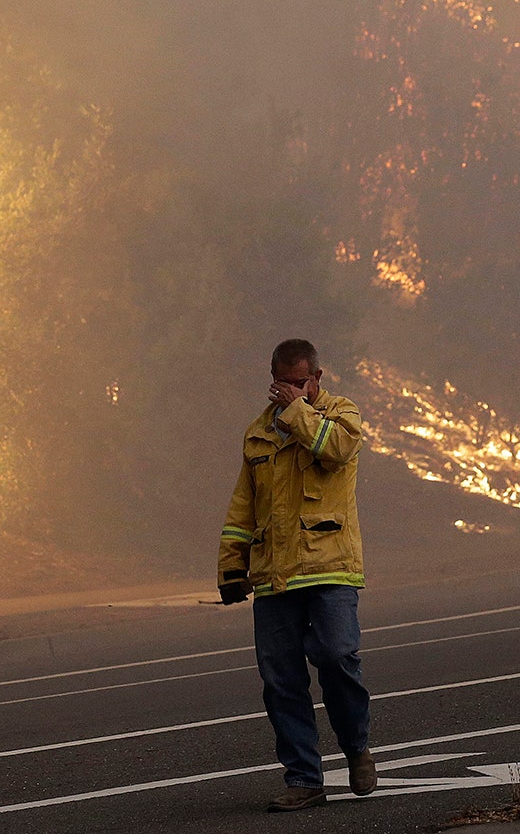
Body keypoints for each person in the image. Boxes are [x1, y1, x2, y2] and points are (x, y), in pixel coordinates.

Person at [218, 338, 377, 812]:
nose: (290, 390)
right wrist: (231, 564)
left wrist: (297, 412)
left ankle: (356, 749)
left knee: (336, 657)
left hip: (330, 568)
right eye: (283, 383)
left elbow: (337, 452)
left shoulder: (340, 413)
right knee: (281, 680)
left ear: (317, 378)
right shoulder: (257, 433)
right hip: (275, 577)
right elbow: (243, 504)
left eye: (300, 382)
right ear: (272, 378)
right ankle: (304, 779)